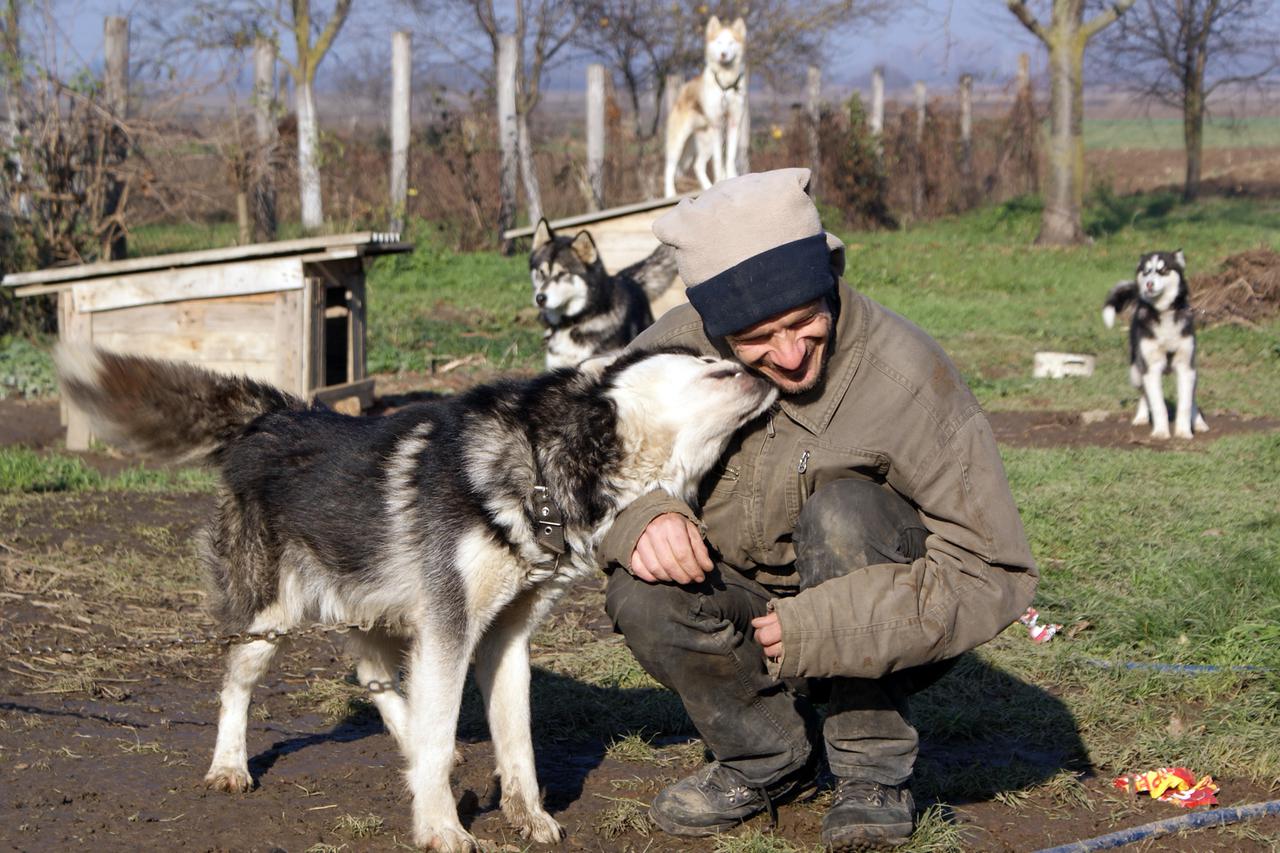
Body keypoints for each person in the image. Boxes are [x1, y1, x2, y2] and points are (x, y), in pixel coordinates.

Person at [599, 168, 1038, 850]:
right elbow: (571, 471)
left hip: (873, 610)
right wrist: (641, 517)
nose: (790, 353)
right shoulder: (668, 355)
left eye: (805, 321)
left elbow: (994, 568)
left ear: (829, 278)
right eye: (757, 337)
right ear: (715, 330)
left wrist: (825, 625)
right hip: (742, 601)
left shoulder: (909, 377)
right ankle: (766, 758)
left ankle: (871, 773)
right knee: (641, 587)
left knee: (844, 515)